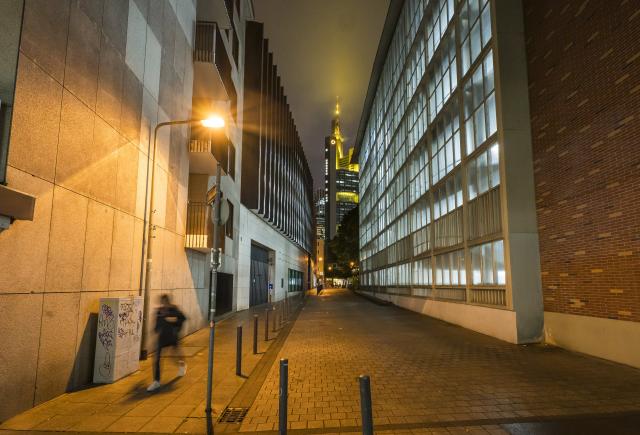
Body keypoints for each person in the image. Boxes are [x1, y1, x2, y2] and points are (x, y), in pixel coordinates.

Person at [147, 294, 187, 392]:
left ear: (168, 301)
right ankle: (156, 381)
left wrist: (176, 326)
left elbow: (183, 318)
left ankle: (182, 365)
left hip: (172, 337)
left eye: (165, 301)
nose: (164, 303)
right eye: (162, 301)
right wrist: (156, 330)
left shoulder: (174, 310)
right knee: (157, 358)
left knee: (175, 355)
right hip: (162, 338)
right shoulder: (159, 311)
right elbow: (157, 323)